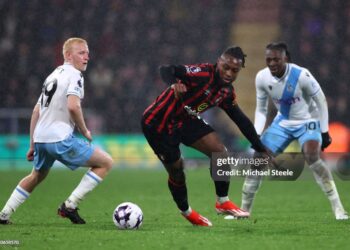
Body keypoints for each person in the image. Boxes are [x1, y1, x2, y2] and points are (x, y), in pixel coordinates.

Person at [141, 46, 268, 226]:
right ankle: (187, 212)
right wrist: (173, 83)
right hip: (158, 123)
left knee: (220, 153)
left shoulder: (226, 92)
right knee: (177, 170)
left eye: (235, 70)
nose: (229, 73)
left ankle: (222, 201)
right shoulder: (200, 73)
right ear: (219, 62)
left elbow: (240, 119)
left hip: (185, 120)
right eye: (226, 67)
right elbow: (166, 70)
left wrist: (259, 146)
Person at [0, 37, 113, 225]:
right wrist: (84, 130)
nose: (87, 57)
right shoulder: (75, 75)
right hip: (59, 138)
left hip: (42, 139)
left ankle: (4, 214)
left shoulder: (52, 75)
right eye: (81, 53)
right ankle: (70, 205)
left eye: (87, 53)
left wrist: (32, 144)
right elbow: (73, 107)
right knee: (105, 163)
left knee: (37, 175)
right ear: (68, 55)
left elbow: (37, 110)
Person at [240, 42, 348, 220]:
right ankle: (243, 211)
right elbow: (261, 110)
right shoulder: (262, 77)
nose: (272, 63)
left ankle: (338, 208)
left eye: (276, 59)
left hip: (308, 121)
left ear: (286, 59)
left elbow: (320, 100)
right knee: (258, 159)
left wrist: (324, 131)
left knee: (312, 156)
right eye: (269, 59)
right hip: (282, 123)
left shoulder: (301, 75)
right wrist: (257, 135)